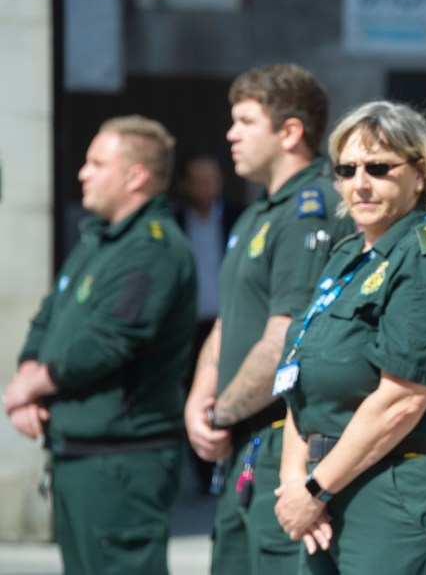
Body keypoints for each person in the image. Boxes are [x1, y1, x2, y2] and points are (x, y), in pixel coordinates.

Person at [272, 101, 426, 574]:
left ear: (419, 173)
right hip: (330, 488)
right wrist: (295, 481)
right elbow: (302, 376)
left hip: (404, 491)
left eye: (378, 168)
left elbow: (402, 397)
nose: (360, 183)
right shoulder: (348, 255)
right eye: (347, 170)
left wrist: (313, 490)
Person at [3, 115, 197, 575]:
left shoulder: (153, 249)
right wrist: (29, 374)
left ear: (136, 176)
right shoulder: (99, 240)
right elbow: (49, 316)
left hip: (121, 463)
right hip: (80, 453)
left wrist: (32, 387)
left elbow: (110, 341)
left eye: (96, 163)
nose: (82, 173)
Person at [183, 63, 354, 575]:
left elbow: (286, 337)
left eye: (244, 121)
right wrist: (199, 402)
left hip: (282, 438)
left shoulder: (312, 206)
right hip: (244, 440)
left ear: (290, 132)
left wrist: (220, 414)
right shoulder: (258, 213)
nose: (230, 134)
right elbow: (228, 320)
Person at [175, 154, 242, 492]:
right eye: (198, 180)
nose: (206, 187)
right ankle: (203, 475)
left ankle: (226, 467)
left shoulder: (239, 218)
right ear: (185, 184)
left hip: (226, 323)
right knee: (193, 394)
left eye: (211, 179)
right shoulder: (173, 223)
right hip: (188, 327)